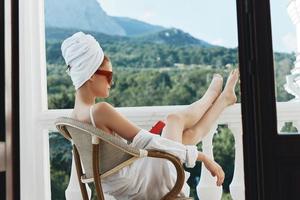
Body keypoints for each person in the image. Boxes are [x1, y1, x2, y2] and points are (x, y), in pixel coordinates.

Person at [61, 32, 239, 199]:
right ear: (91, 74)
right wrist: (203, 157)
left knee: (186, 136)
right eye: (108, 75)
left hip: (123, 183)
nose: (111, 82)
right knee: (174, 120)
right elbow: (149, 141)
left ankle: (222, 99)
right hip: (142, 183)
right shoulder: (100, 111)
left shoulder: (73, 118)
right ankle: (212, 97)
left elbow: (116, 152)